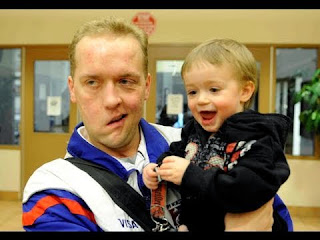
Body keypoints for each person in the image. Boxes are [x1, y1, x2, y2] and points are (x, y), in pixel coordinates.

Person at [22, 17, 278, 232]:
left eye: (126, 81)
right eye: (92, 82)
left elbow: (276, 215)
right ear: (72, 89)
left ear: (146, 86)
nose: (112, 100)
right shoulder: (55, 191)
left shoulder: (195, 144)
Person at [143, 38, 293, 232]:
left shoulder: (259, 137)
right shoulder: (194, 131)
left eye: (214, 89)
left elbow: (250, 189)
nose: (202, 100)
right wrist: (158, 170)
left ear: (245, 91)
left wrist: (190, 175)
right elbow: (176, 154)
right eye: (192, 92)